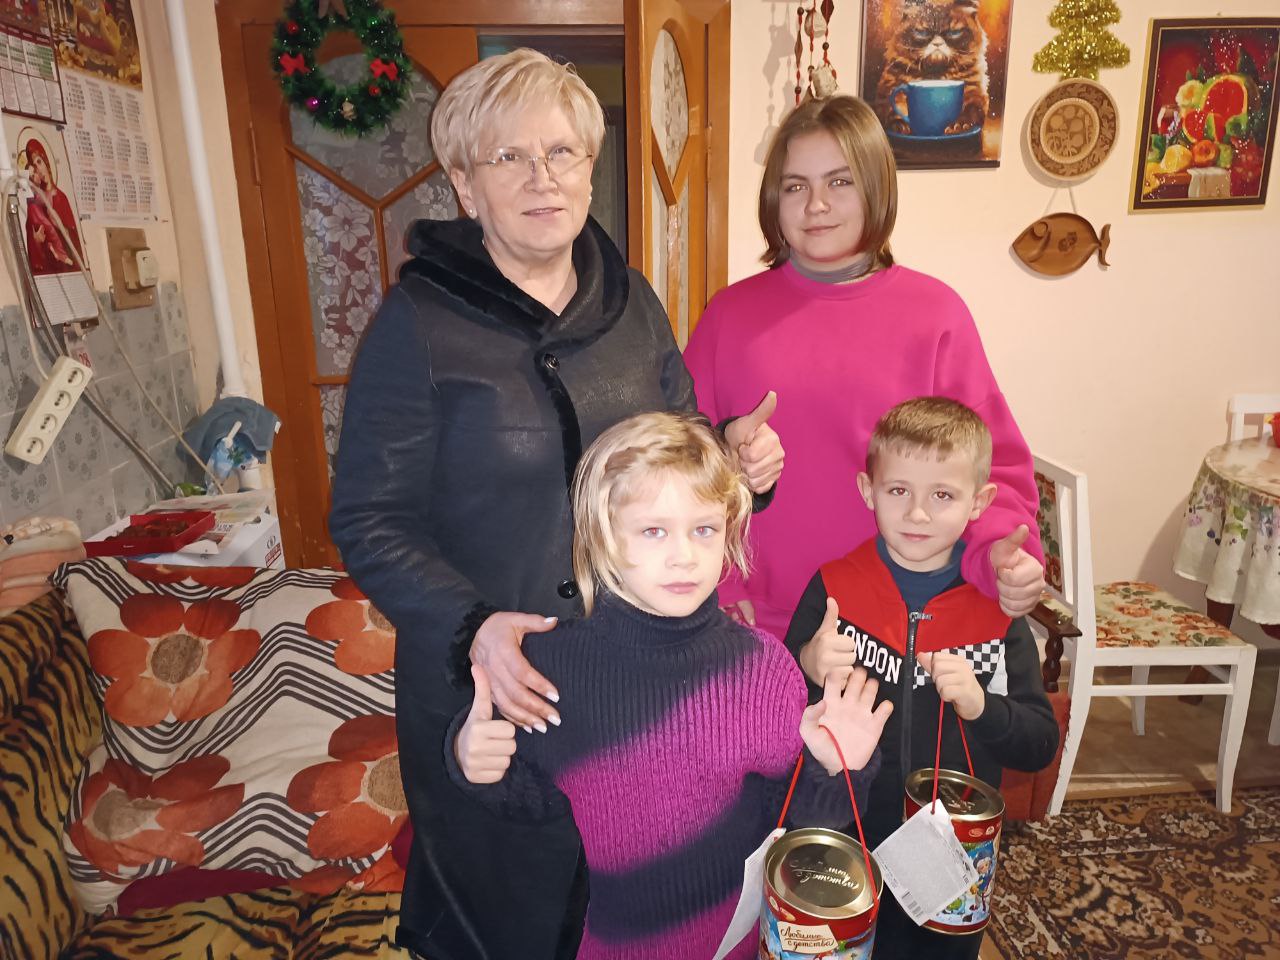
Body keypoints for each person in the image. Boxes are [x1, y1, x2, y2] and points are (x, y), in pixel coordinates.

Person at [328, 49, 784, 960]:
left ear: (589, 167)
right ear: (465, 186)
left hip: (635, 680)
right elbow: (369, 520)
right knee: (511, 917)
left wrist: (738, 465)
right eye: (510, 157)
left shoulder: (632, 304)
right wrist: (472, 627)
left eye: (563, 152)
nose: (543, 177)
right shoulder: (417, 324)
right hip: (492, 687)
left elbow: (682, 452)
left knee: (651, 912)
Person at [452, 410, 892, 960]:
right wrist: (476, 762)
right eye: (654, 530)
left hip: (736, 946)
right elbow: (531, 803)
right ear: (602, 535)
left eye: (703, 529)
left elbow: (800, 822)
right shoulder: (550, 668)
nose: (684, 556)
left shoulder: (762, 670)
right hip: (612, 947)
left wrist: (836, 767)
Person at [682, 95, 1044, 643]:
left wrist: (999, 557)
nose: (816, 205)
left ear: (876, 187)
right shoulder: (728, 315)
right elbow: (677, 463)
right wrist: (720, 581)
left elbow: (993, 469)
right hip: (756, 623)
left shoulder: (936, 315)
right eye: (796, 186)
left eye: (840, 181)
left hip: (895, 626)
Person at [784, 397, 1060, 960]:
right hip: (847, 834)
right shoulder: (835, 588)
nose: (917, 514)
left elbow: (1038, 745)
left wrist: (982, 707)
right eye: (898, 490)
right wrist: (806, 663)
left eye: (942, 496)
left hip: (949, 854)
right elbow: (774, 711)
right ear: (868, 491)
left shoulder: (994, 613)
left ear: (978, 503)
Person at [22, 136, 82, 276]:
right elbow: (32, 233)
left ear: (46, 161)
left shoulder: (60, 198)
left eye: (39, 162)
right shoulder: (37, 200)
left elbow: (74, 241)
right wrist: (36, 240)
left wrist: (62, 228)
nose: (38, 169)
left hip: (67, 269)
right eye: (34, 166)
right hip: (49, 270)